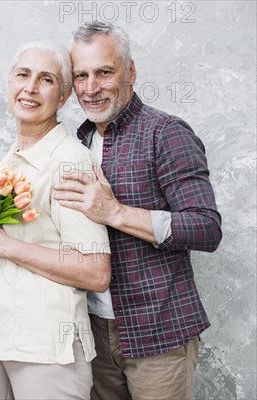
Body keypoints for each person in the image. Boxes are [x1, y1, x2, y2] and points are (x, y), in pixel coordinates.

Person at [53, 21, 222, 400]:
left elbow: (206, 227)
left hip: (159, 336)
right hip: (92, 334)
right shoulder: (75, 143)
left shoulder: (166, 133)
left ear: (130, 71)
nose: (92, 87)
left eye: (104, 72)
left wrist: (114, 212)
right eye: (81, 75)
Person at [0, 40, 112, 399]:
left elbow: (95, 271)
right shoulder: (7, 162)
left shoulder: (70, 163)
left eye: (46, 79)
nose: (31, 87)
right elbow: (5, 239)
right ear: (9, 83)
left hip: (43, 348)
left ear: (64, 95)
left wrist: (2, 244)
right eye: (23, 75)